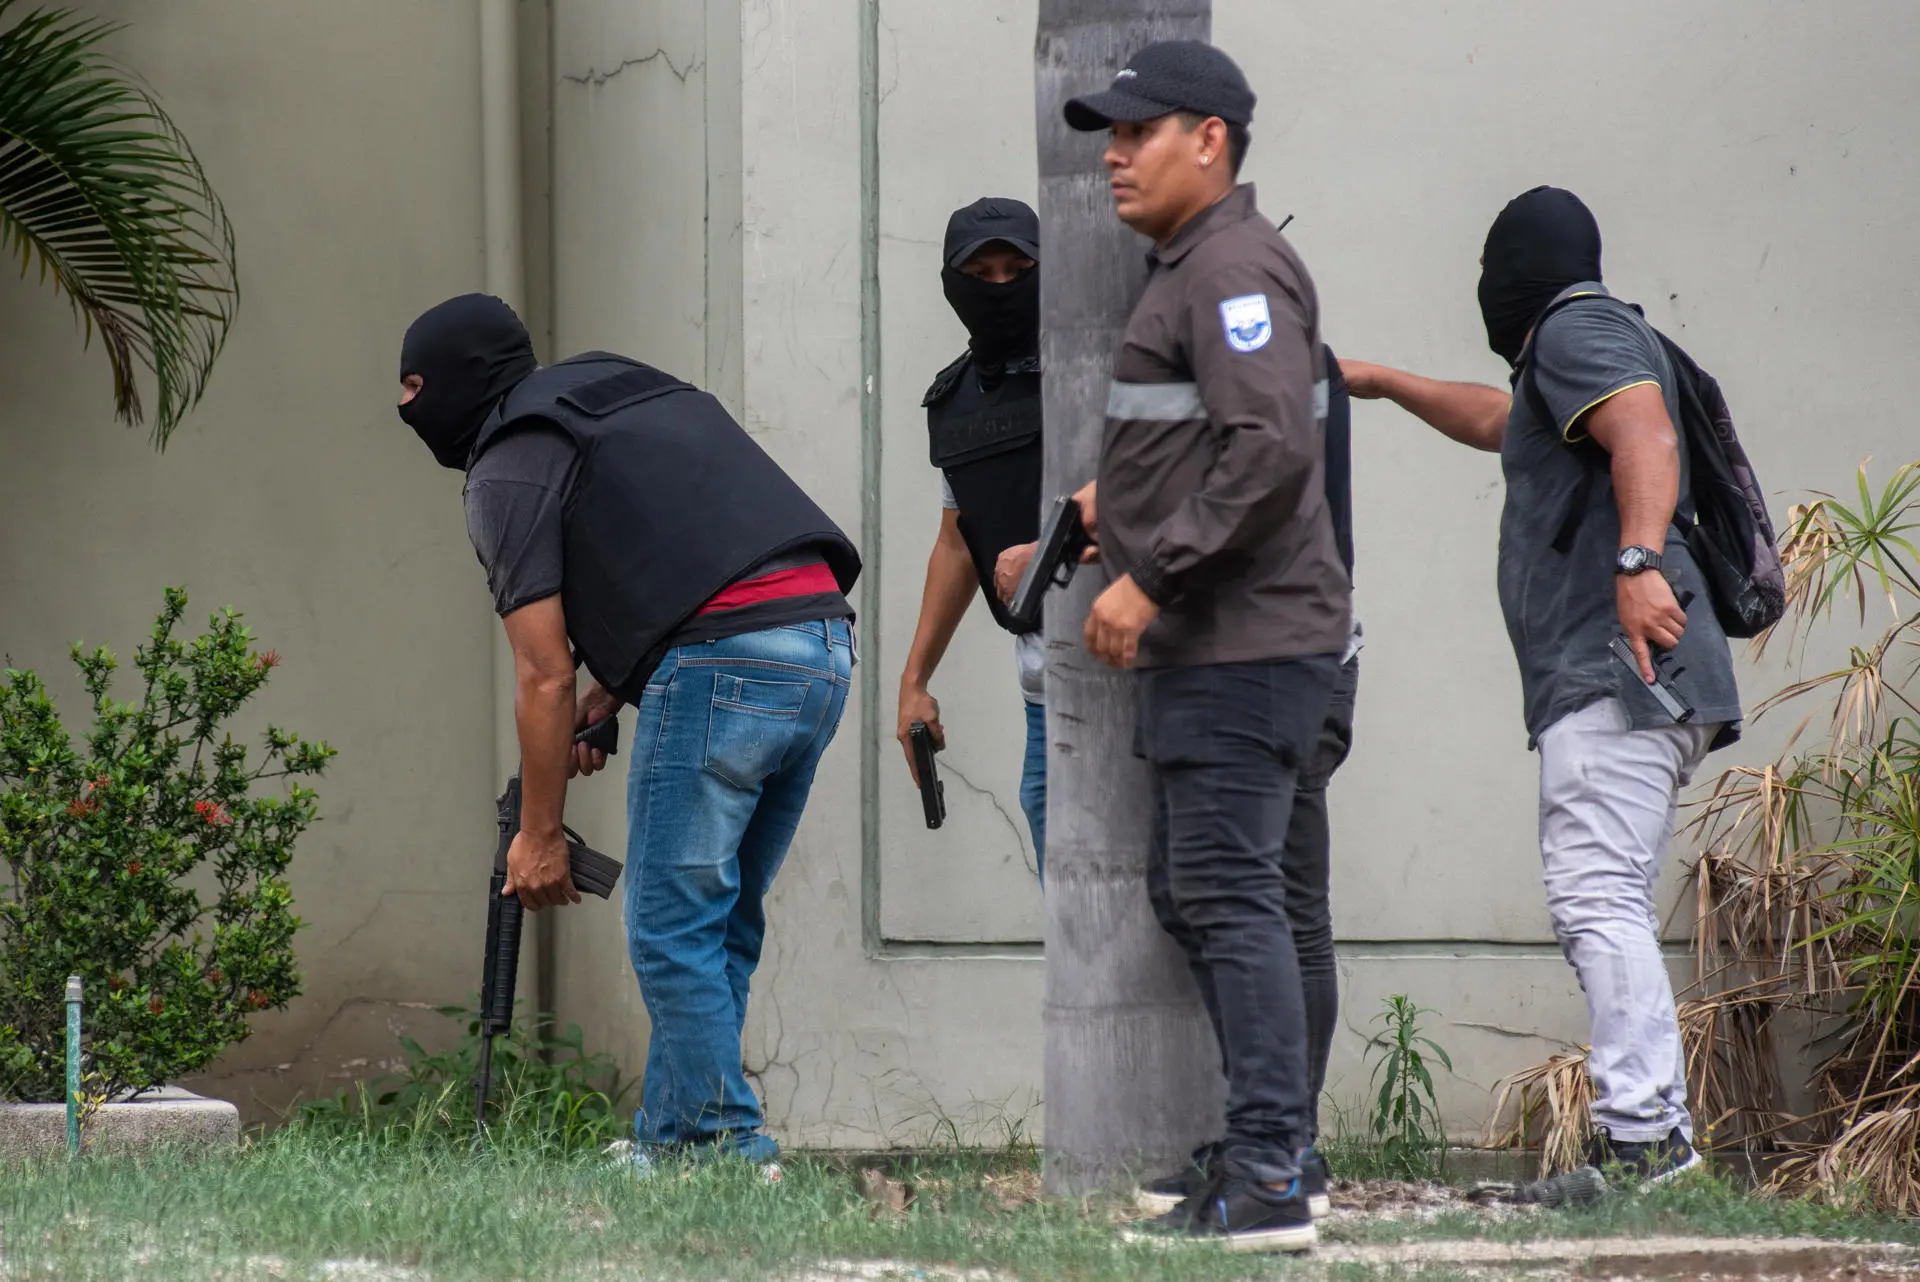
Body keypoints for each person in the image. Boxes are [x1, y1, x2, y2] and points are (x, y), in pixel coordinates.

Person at [394, 294, 861, 1178]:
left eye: (414, 385)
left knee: (668, 928)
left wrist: (538, 834)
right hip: (822, 649)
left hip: (723, 659)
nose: (404, 406)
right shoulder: (616, 391)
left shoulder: (506, 462)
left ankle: (729, 1150)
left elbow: (543, 673)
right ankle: (671, 1143)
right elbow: (690, 553)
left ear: (460, 378)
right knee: (719, 925)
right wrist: (613, 690)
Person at [1340, 186, 1742, 1183]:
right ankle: (1651, 1136)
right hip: (1633, 673)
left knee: (1595, 893)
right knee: (1607, 895)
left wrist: (1637, 561)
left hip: (1620, 666)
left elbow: (1645, 435)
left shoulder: (1576, 327)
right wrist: (1381, 381)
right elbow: (1504, 421)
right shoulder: (1571, 354)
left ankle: (1647, 1142)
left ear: (1519, 268)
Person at [1059, 39, 1352, 1252]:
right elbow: (1214, 439)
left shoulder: (1231, 267)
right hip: (1229, 644)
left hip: (1244, 643)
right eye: (1111, 136)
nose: (1115, 156)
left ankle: (1271, 1168)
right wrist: (1119, 507)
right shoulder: (1196, 267)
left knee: (1232, 896)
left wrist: (1150, 572)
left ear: (1210, 140)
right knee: (1214, 894)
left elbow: (1269, 447)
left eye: (1139, 133)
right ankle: (1275, 1151)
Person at [896, 198, 1049, 877]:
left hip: (1143, 681)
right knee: (1071, 908)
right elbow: (958, 542)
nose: (1000, 287)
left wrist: (1051, 547)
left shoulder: (1097, 364)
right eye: (981, 274)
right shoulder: (957, 401)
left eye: (1018, 269)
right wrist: (914, 680)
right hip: (1046, 692)